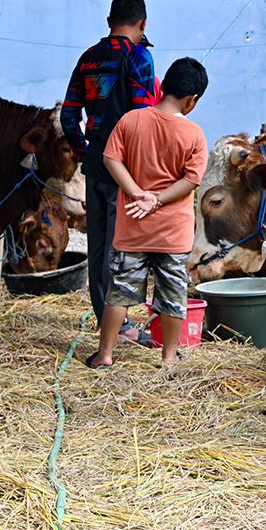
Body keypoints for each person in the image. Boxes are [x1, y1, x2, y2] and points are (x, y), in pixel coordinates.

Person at [84, 57, 209, 369]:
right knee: (172, 295)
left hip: (132, 230)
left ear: (163, 85)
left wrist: (137, 192)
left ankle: (105, 354)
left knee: (119, 292)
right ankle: (168, 357)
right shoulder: (194, 134)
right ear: (192, 100)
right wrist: (158, 199)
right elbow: (191, 181)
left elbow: (111, 160)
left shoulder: (130, 120)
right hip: (173, 234)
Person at [61, 0, 157, 345]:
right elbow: (144, 116)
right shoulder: (138, 57)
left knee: (98, 246)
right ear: (143, 24)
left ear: (108, 22)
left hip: (96, 162)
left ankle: (107, 322)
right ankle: (122, 328)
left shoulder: (87, 59)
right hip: (126, 166)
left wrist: (81, 152)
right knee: (122, 247)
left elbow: (68, 115)